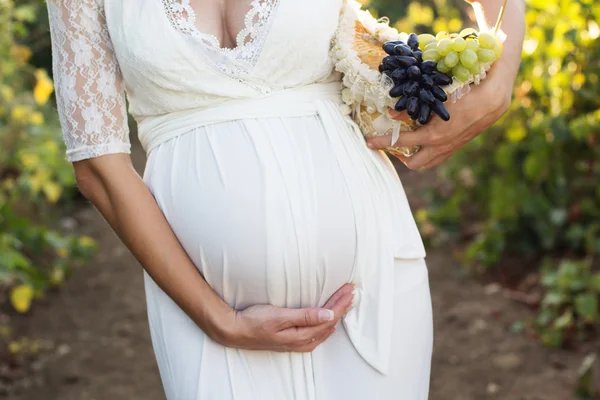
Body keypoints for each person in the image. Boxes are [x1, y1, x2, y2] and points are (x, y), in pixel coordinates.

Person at [45, 0, 524, 399]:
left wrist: (502, 76)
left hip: (371, 283)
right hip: (202, 311)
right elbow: (98, 165)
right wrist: (219, 321)